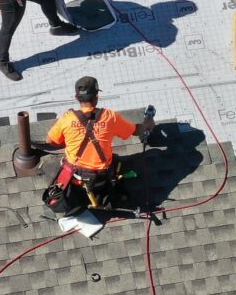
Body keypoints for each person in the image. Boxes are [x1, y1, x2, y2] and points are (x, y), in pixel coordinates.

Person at [42, 76, 155, 216]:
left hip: (74, 176)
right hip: (101, 178)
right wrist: (147, 124)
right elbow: (134, 131)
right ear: (96, 97)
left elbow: (50, 141)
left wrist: (73, 137)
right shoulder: (109, 117)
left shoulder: (67, 118)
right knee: (116, 160)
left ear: (76, 98)